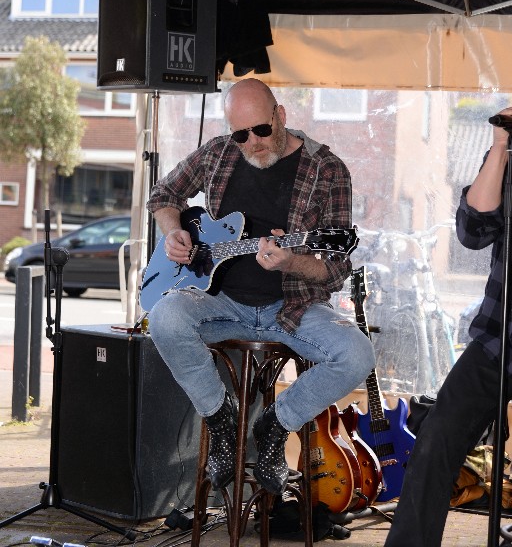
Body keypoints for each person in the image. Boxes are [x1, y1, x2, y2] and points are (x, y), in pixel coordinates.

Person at [146, 78, 375, 495]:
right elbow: (164, 193)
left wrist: (292, 260)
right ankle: (221, 418)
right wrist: (172, 230)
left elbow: (337, 268)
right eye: (241, 134)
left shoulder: (327, 169)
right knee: (163, 318)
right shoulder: (218, 153)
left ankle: (276, 423)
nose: (252, 142)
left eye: (261, 130)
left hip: (291, 309)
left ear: (281, 116)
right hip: (220, 304)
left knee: (358, 354)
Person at [384, 106, 512, 547]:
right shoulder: (509, 154)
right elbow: (473, 232)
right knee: (437, 435)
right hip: (501, 337)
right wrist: (499, 148)